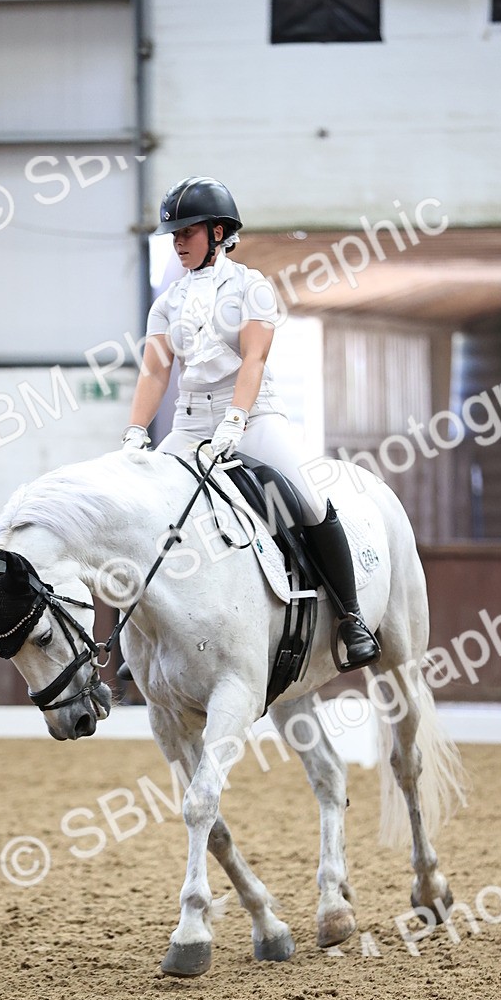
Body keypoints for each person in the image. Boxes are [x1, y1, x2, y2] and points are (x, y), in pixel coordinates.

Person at [121, 175, 379, 669]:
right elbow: (156, 369)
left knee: (306, 498)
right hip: (191, 424)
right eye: (173, 235)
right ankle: (142, 640)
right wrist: (136, 431)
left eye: (187, 233)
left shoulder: (251, 288)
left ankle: (350, 617)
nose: (178, 243)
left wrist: (237, 419)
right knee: (150, 513)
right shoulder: (168, 303)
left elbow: (253, 360)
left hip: (254, 414)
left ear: (218, 232)